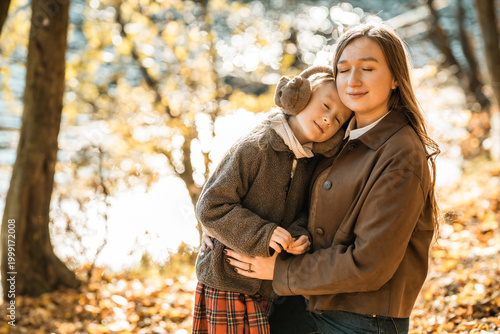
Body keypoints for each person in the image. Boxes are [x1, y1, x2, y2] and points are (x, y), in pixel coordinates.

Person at [224, 22, 440, 334]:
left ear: (395, 77)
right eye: (343, 69)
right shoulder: (334, 135)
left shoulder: (401, 155)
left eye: (367, 68)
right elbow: (282, 195)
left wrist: (279, 270)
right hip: (311, 303)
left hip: (363, 320)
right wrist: (225, 226)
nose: (352, 80)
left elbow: (369, 264)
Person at [192, 65, 353, 334]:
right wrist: (265, 235)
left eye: (337, 120)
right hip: (227, 282)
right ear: (298, 98)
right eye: (325, 106)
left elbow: (299, 213)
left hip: (264, 287)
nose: (328, 119)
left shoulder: (307, 161)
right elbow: (211, 206)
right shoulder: (256, 147)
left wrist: (298, 236)